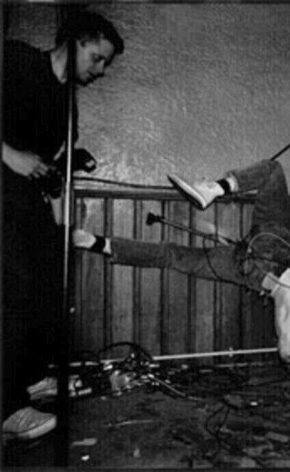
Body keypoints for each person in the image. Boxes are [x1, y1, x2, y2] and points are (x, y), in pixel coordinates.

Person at [74, 160, 290, 450]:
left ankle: (215, 189)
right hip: (252, 272)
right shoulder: (289, 347)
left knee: (272, 172)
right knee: (174, 257)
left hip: (277, 249)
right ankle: (99, 243)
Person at [2, 11, 124, 441]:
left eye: (104, 63)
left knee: (44, 287)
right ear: (74, 41)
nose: (99, 70)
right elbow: (22, 159)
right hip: (2, 193)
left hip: (27, 204)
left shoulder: (65, 106)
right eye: (96, 58)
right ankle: (7, 411)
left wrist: (59, 226)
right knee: (12, 288)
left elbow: (53, 172)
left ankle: (30, 379)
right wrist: (11, 155)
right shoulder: (16, 61)